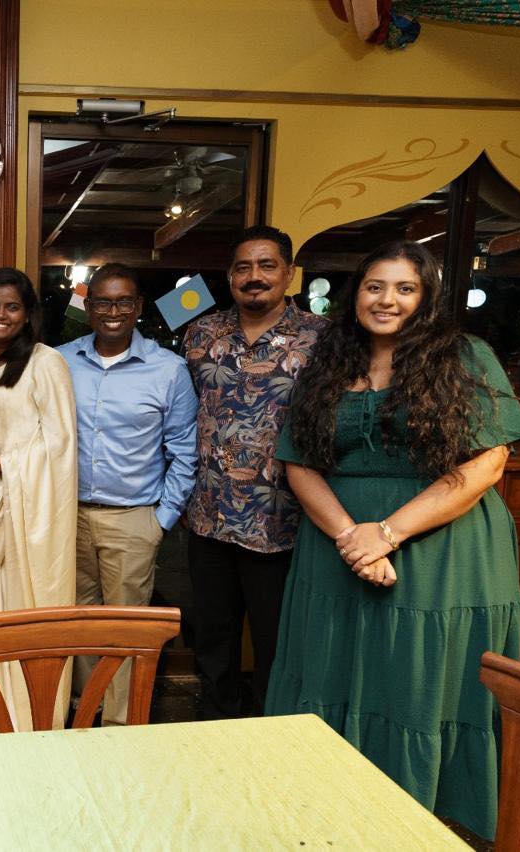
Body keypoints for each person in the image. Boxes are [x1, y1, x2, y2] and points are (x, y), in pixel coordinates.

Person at [264, 241, 520, 840]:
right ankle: (331, 817)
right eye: (375, 286)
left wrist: (388, 533)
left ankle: (419, 824)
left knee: (417, 682)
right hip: (336, 548)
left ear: (427, 298)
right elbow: (299, 463)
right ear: (355, 294)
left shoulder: (464, 356)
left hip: (441, 552)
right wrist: (352, 539)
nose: (387, 300)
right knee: (330, 672)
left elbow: (488, 463)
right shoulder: (330, 361)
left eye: (405, 289)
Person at [181, 226, 327, 719]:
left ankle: (271, 733)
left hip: (284, 521)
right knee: (213, 639)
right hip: (209, 516)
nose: (254, 276)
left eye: (267, 265)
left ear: (289, 273)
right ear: (229, 276)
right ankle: (215, 727)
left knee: (277, 642)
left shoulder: (321, 338)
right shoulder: (201, 334)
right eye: (243, 267)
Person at [56, 263, 198, 726]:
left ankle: (120, 727)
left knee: (125, 628)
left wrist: (161, 519)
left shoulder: (168, 370)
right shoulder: (60, 362)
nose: (112, 312)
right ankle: (83, 716)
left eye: (123, 302)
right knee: (78, 623)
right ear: (88, 306)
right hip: (70, 517)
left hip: (133, 519)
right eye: (102, 302)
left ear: (137, 306)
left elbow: (184, 451)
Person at [0, 268, 77, 731]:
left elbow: (60, 443)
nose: (1, 315)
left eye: (12, 307)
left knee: (14, 612)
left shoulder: (46, 363)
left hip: (24, 513)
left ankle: (24, 721)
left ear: (28, 314)